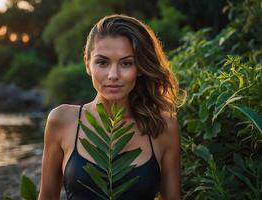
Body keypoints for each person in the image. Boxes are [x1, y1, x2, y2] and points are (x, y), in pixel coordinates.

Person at [38, 14, 182, 200]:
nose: (113, 75)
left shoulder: (163, 126)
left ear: (139, 68)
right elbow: (47, 196)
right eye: (102, 62)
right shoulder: (61, 120)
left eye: (126, 63)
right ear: (87, 63)